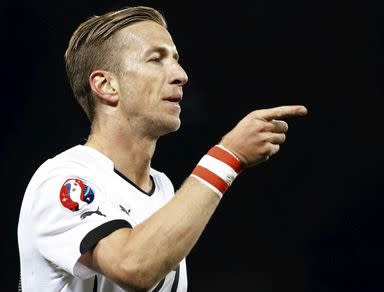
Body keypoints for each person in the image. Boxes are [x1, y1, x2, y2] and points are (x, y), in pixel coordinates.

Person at [17, 6, 307, 292]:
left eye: (176, 59)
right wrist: (227, 158)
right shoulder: (63, 180)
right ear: (106, 85)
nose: (181, 74)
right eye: (156, 59)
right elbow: (133, 267)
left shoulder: (163, 188)